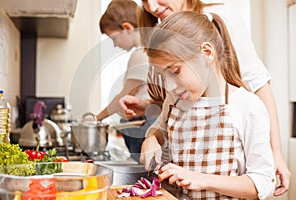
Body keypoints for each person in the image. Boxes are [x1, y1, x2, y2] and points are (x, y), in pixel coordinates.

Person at [119, 0, 290, 195]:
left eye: (175, 71)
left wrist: (200, 180)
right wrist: (151, 139)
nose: (169, 86)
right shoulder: (173, 102)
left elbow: (262, 182)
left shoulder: (246, 106)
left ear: (207, 53)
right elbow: (159, 129)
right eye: (162, 77)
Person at [97, 0, 157, 162]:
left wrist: (96, 119)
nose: (115, 45)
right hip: (145, 121)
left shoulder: (140, 54)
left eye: (113, 38)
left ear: (127, 28)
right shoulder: (148, 50)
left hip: (143, 124)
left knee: (143, 172)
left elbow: (124, 96)